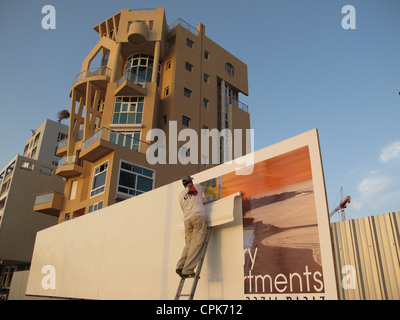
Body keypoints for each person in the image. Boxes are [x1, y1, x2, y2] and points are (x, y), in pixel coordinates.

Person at [176, 176, 208, 278]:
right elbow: (208, 189)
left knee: (189, 244)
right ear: (191, 181)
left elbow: (182, 208)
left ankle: (180, 266)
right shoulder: (197, 187)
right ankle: (188, 270)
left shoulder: (181, 195)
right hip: (198, 217)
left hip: (187, 220)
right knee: (197, 243)